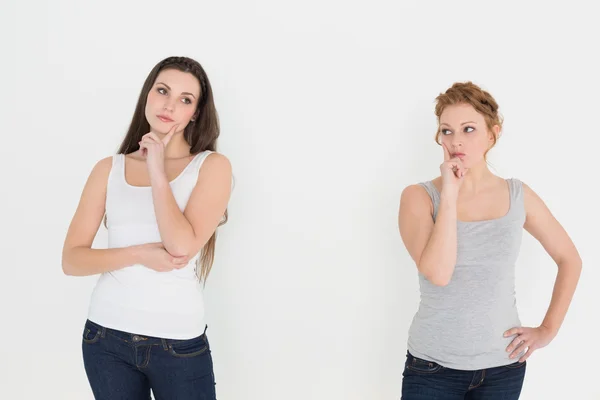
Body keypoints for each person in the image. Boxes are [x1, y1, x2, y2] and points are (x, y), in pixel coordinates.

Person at [397, 81, 582, 399]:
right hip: (432, 370)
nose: (456, 141)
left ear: (492, 134)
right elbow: (439, 273)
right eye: (447, 131)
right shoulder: (419, 197)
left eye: (468, 129)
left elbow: (570, 259)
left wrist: (547, 330)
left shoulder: (517, 195)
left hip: (503, 368)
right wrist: (451, 193)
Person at [62, 56, 232, 400]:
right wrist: (139, 254)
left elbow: (181, 245)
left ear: (195, 113)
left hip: (178, 343)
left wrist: (156, 169)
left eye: (185, 99)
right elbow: (72, 260)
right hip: (106, 338)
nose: (170, 105)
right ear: (148, 95)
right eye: (163, 91)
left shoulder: (211, 167)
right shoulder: (108, 169)